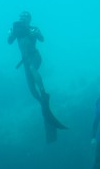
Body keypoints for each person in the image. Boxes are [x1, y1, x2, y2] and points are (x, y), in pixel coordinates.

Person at [7, 11, 66, 142]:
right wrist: (11, 33)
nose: (22, 19)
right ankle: (43, 102)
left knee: (33, 69)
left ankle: (43, 92)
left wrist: (34, 33)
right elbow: (9, 41)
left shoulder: (33, 28)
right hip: (25, 61)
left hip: (35, 57)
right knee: (31, 90)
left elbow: (42, 39)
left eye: (24, 17)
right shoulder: (16, 28)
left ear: (29, 19)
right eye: (21, 17)